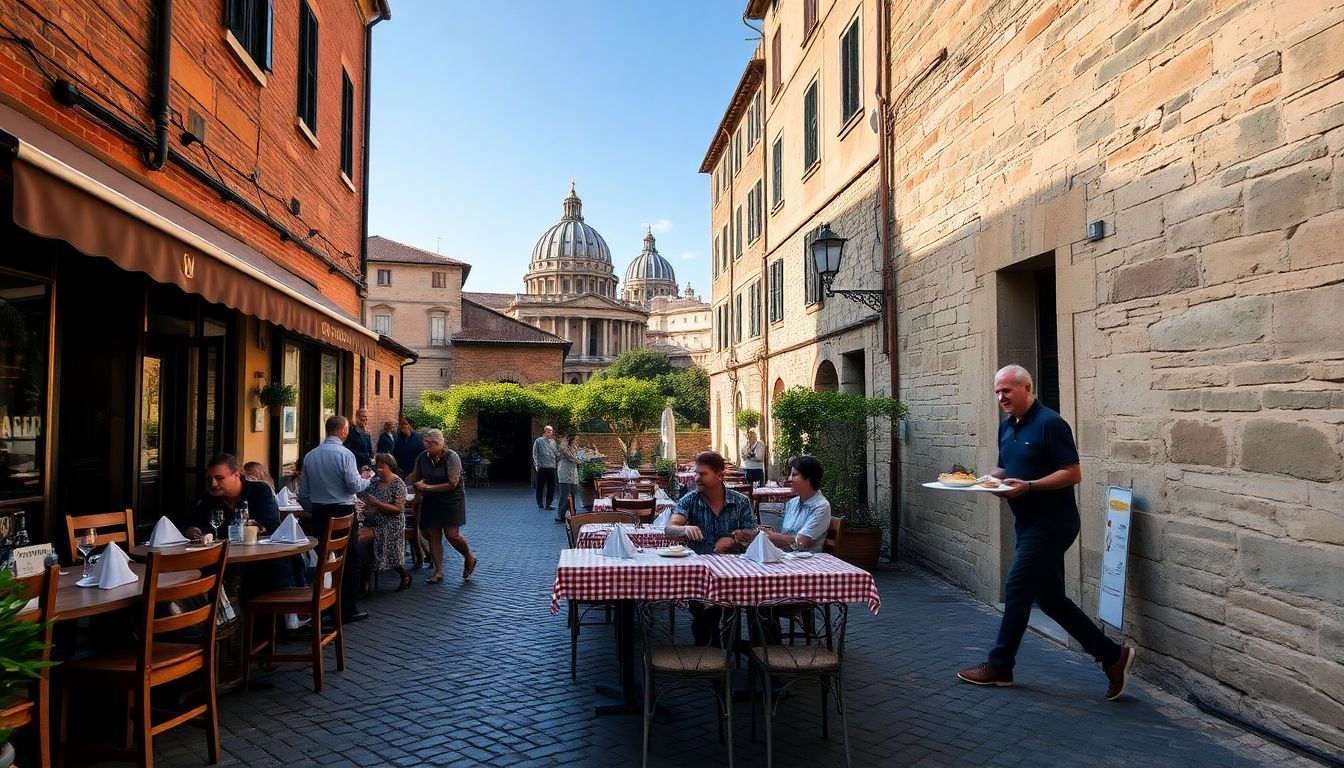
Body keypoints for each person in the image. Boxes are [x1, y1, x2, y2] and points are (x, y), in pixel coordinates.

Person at [957, 364, 1135, 700]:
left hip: (1054, 521)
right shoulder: (1006, 426)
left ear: (1027, 388)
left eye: (1007, 390)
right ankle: (1113, 656)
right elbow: (1003, 467)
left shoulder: (1050, 423)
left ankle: (1000, 665)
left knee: (1017, 586)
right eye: (997, 392)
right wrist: (981, 482)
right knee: (1050, 600)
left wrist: (1029, 486)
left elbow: (1073, 473)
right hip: (1026, 523)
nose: (1001, 397)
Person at [667, 450, 758, 645]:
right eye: (696, 473)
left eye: (703, 474)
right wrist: (684, 529)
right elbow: (669, 529)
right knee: (705, 618)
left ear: (719, 474)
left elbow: (753, 536)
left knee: (750, 611)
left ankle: (733, 647)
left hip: (736, 574)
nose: (696, 478)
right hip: (701, 575)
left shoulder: (740, 502)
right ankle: (710, 652)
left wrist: (733, 540)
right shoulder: (690, 500)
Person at [298, 415, 371, 623]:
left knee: (324, 559)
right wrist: (367, 480)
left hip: (321, 512)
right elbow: (354, 486)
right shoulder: (345, 454)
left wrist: (315, 510)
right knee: (350, 559)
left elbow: (303, 493)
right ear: (343, 431)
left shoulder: (311, 455)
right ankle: (347, 608)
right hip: (343, 512)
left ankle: (324, 605)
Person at [183, 453, 288, 599]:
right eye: (210, 479)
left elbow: (270, 523)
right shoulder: (210, 498)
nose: (213, 484)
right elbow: (191, 524)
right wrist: (193, 531)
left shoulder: (259, 491)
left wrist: (255, 526)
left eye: (219, 478)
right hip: (222, 562)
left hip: (261, 563)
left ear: (236, 475)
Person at [405, 428, 478, 583]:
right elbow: (414, 476)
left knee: (452, 535)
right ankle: (438, 572)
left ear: (439, 443)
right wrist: (398, 482)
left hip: (451, 499)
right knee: (434, 535)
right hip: (432, 499)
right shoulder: (423, 457)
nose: (427, 449)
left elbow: (453, 483)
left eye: (430, 445)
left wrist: (427, 487)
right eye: (425, 445)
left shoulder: (451, 457)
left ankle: (468, 556)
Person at [734, 455, 830, 553]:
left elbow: (802, 540)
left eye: (795, 474)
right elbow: (785, 537)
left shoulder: (821, 507)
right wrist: (758, 535)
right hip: (786, 556)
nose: (790, 479)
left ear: (808, 479)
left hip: (808, 560)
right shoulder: (792, 503)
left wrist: (772, 536)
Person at [357, 452, 411, 591]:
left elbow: (398, 509)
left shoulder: (398, 484)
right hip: (373, 522)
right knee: (355, 538)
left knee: (361, 540)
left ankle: (403, 574)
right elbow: (364, 497)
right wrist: (365, 506)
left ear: (389, 466)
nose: (379, 470)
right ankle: (364, 583)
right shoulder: (375, 483)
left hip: (390, 524)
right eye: (377, 466)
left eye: (381, 466)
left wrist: (377, 504)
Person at [554, 432, 581, 522]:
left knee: (572, 493)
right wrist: (580, 461)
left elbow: (577, 457)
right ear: (571, 439)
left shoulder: (574, 448)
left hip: (572, 473)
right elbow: (571, 458)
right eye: (576, 439)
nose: (577, 441)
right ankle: (560, 514)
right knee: (565, 494)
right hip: (564, 472)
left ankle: (572, 513)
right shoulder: (564, 447)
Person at [532, 425, 557, 511]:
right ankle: (540, 503)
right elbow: (535, 453)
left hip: (551, 466)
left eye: (551, 430)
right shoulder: (539, 441)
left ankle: (548, 504)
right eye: (548, 430)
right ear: (544, 431)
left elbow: (555, 453)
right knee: (540, 486)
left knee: (551, 486)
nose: (549, 432)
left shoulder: (553, 442)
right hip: (541, 466)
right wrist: (536, 464)